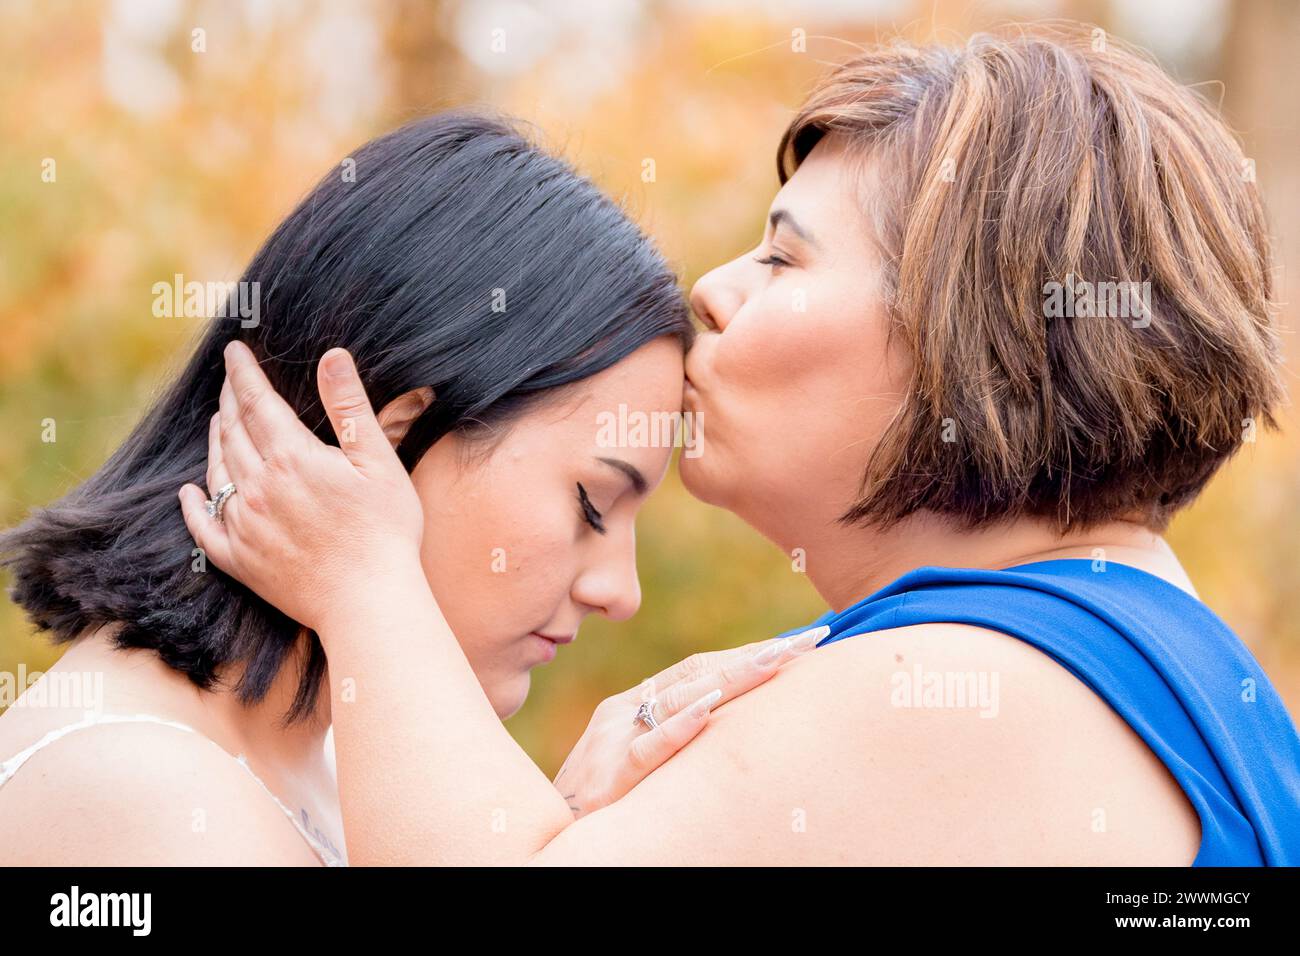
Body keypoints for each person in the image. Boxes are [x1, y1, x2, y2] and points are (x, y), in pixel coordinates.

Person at [183, 25, 1300, 865]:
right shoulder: (1140, 658)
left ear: (979, 332)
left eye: (782, 259)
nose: (709, 291)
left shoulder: (962, 683)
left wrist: (366, 582)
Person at [0, 112, 814, 866]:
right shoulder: (136, 794)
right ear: (383, 436)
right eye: (592, 503)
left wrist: (556, 833)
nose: (621, 591)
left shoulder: (323, 769)